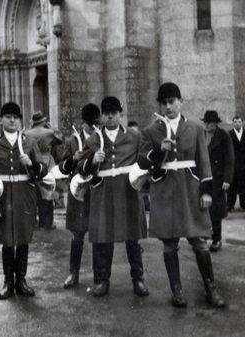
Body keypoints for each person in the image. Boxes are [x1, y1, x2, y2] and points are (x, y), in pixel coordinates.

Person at [138, 82, 226, 308]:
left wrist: (207, 192)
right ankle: (177, 291)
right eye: (164, 103)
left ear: (181, 102)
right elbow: (142, 162)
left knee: (200, 242)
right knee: (169, 244)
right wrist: (160, 151)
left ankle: (210, 289)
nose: (168, 106)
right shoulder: (151, 131)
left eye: (172, 102)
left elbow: (204, 162)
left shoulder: (195, 128)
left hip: (190, 191)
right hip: (165, 193)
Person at [78, 96, 148, 298]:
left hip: (128, 191)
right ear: (102, 116)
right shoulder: (93, 139)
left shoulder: (134, 137)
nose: (110, 116)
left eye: (114, 113)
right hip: (104, 193)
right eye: (107, 113)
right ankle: (102, 281)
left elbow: (143, 161)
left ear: (120, 114)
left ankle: (138, 280)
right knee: (103, 239)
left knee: (132, 239)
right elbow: (81, 169)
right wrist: (93, 160)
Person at [0, 102, 48, 299]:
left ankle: (21, 279)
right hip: (2, 197)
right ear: (1, 120)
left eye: (16, 117)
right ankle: (8, 282)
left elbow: (42, 172)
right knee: (7, 240)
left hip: (24, 196)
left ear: (20, 120)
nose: (12, 120)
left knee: (22, 239)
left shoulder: (29, 142)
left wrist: (32, 164)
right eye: (8, 117)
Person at [60, 103, 100, 289]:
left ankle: (99, 277)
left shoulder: (101, 138)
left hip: (97, 190)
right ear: (83, 123)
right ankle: (73, 273)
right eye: (90, 125)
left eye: (96, 124)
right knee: (77, 234)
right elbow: (62, 168)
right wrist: (73, 159)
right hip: (78, 192)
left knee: (98, 234)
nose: (94, 128)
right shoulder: (71, 141)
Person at [201, 110, 234, 252]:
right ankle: (203, 236)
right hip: (204, 178)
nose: (208, 125)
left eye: (210, 123)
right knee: (202, 207)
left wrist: (227, 179)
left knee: (216, 210)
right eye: (206, 122)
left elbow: (229, 158)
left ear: (216, 123)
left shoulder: (223, 136)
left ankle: (216, 238)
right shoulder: (201, 135)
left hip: (218, 179)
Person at [24, 111, 63, 230]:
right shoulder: (49, 132)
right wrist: (53, 129)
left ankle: (33, 222)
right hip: (47, 161)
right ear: (43, 122)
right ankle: (47, 223)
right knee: (48, 192)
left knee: (33, 192)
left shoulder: (27, 133)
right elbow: (60, 141)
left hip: (32, 162)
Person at [228, 116, 245, 211]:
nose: (237, 124)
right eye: (235, 122)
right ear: (232, 123)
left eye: (239, 122)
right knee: (232, 186)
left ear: (242, 122)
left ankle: (244, 204)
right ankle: (230, 205)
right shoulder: (229, 134)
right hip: (234, 164)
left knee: (243, 185)